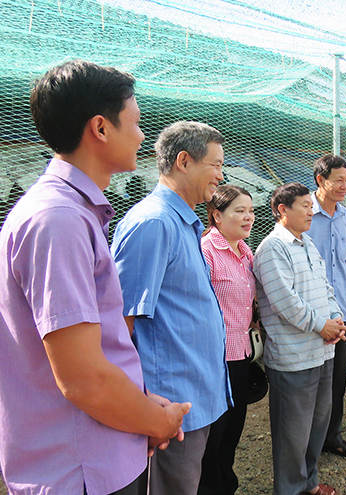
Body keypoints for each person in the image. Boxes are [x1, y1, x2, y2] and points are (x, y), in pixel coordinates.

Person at [0, 60, 188, 495]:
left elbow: (98, 350)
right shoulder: (59, 219)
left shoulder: (73, 212)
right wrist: (155, 420)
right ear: (101, 128)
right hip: (81, 468)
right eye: (137, 123)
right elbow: (84, 379)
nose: (142, 137)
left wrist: (141, 408)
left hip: (97, 450)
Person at [112, 121, 231, 495]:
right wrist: (143, 406)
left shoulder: (184, 222)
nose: (221, 176)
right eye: (215, 164)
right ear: (184, 161)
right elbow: (120, 326)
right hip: (169, 406)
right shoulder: (155, 223)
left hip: (191, 395)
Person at [254, 182, 346, 495]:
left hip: (322, 351)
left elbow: (325, 287)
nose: (312, 211)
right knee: (292, 432)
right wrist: (322, 325)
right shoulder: (272, 248)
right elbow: (284, 301)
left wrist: (335, 318)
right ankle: (290, 489)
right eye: (305, 206)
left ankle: (309, 482)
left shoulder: (307, 243)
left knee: (317, 425)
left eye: (311, 206)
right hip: (293, 356)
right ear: (282, 210)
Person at [198, 185, 257, 495]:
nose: (248, 217)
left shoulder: (245, 251)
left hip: (241, 354)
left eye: (250, 210)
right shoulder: (206, 252)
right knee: (214, 434)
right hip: (216, 358)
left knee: (234, 429)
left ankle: (226, 485)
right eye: (239, 211)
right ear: (217, 215)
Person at [306, 154, 346, 458]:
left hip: (340, 310)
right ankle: (306, 444)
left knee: (338, 379)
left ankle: (333, 435)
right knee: (311, 381)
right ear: (320, 180)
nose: (345, 186)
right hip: (310, 314)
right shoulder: (301, 214)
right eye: (338, 180)